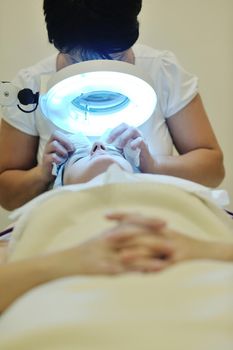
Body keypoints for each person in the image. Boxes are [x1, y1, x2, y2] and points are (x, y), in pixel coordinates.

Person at [0, 0, 225, 211]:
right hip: (65, 223)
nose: (97, 75)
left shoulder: (162, 71)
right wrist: (41, 174)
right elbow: (5, 194)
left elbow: (213, 170)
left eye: (116, 59)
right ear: (59, 44)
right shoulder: (30, 87)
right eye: (78, 62)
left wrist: (154, 165)